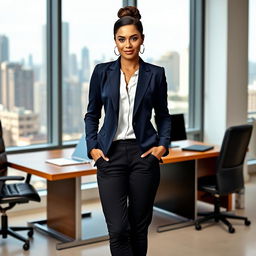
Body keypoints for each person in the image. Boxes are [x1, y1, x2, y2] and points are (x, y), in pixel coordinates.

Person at [84, 6, 171, 256]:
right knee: (119, 228)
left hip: (143, 154)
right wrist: (93, 148)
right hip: (109, 155)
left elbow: (163, 115)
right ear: (115, 41)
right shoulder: (102, 72)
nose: (128, 44)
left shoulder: (155, 74)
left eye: (133, 38)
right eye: (122, 39)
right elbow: (92, 114)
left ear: (142, 39)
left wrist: (162, 145)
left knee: (138, 227)